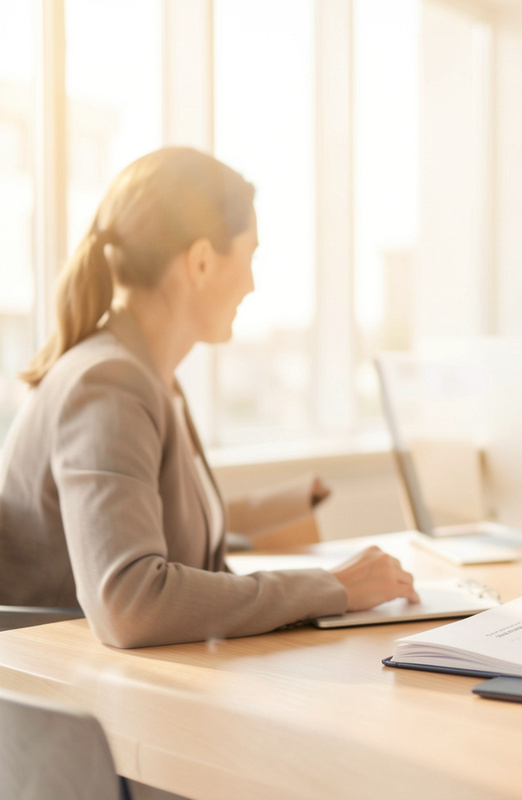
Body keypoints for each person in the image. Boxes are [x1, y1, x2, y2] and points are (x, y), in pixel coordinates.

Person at [0, 147, 418, 648]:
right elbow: (130, 603)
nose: (252, 283)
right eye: (250, 256)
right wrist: (330, 588)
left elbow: (170, 528)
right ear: (200, 261)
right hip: (81, 697)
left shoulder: (150, 376)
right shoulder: (109, 383)